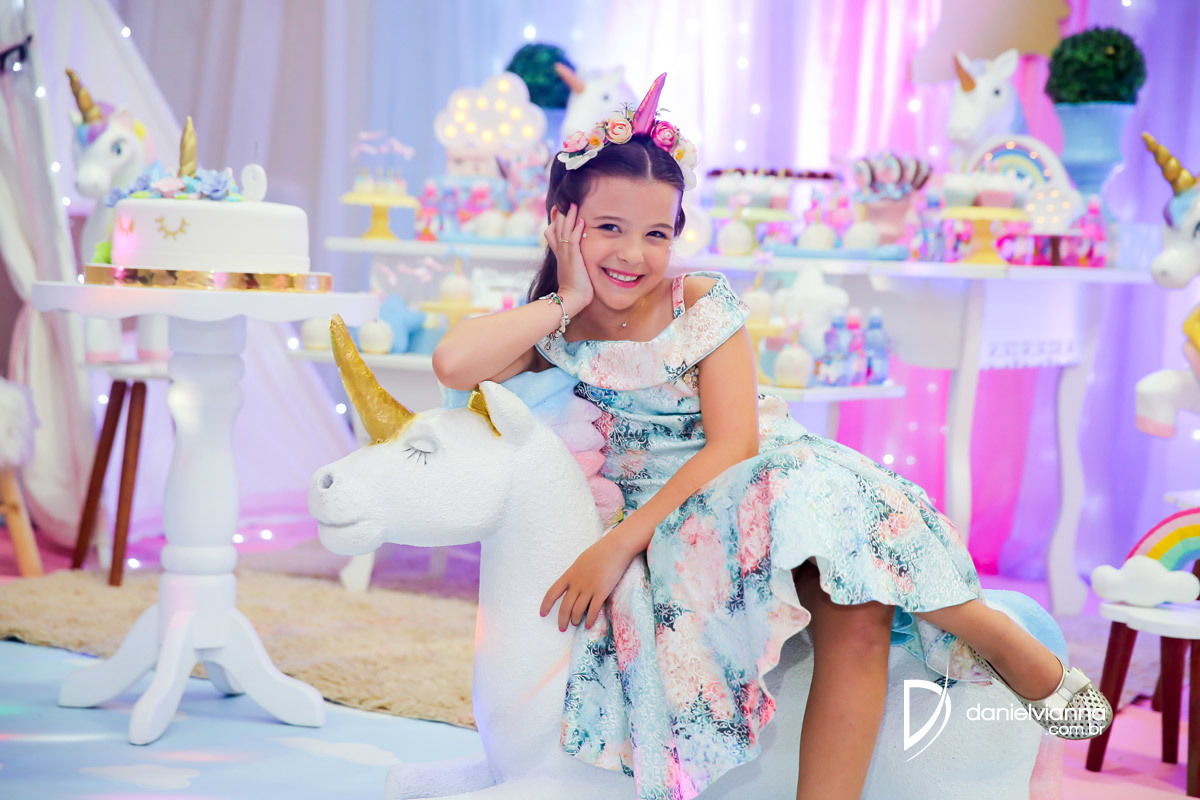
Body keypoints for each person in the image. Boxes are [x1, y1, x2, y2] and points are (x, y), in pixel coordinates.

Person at [432, 74, 1112, 800]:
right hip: (680, 516)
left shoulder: (696, 300)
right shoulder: (551, 330)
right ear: (562, 221)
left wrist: (615, 545)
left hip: (761, 478)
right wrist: (566, 299)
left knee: (848, 588)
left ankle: (990, 632)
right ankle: (989, 633)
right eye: (608, 228)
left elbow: (735, 446)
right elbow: (452, 364)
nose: (633, 253)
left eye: (656, 233)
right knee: (838, 572)